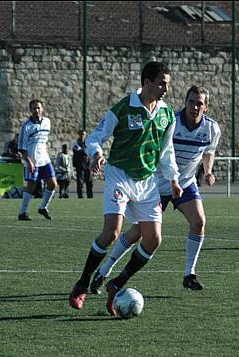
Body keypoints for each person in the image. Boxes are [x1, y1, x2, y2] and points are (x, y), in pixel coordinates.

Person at [68, 61, 182, 316]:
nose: (166, 88)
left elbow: (167, 151)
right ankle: (82, 284)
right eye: (162, 83)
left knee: (153, 240)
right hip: (119, 175)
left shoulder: (167, 114)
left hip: (148, 182)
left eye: (168, 83)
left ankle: (116, 284)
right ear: (147, 82)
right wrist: (96, 153)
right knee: (111, 233)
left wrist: (173, 178)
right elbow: (96, 137)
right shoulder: (123, 107)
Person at [90, 85, 221, 293]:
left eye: (199, 103)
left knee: (199, 222)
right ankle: (104, 271)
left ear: (206, 107)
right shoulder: (171, 120)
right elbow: (161, 152)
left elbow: (209, 151)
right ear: (185, 102)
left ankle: (189, 274)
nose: (194, 107)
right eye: (191, 102)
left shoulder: (212, 129)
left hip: (184, 183)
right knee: (138, 234)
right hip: (157, 184)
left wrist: (208, 171)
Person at [17, 99, 58, 220]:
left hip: (45, 159)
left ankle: (43, 207)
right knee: (31, 186)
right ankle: (22, 212)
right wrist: (29, 161)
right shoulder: (26, 126)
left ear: (42, 109)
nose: (37, 110)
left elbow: (43, 141)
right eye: (34, 108)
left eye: (38, 108)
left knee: (53, 184)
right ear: (30, 110)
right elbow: (22, 148)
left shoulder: (47, 122)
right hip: (32, 160)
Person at [72, 130, 94, 198]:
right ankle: (80, 196)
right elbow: (77, 152)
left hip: (88, 165)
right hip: (80, 164)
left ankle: (90, 196)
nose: (82, 136)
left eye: (83, 134)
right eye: (81, 134)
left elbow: (91, 152)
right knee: (80, 181)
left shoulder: (88, 143)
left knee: (89, 181)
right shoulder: (76, 144)